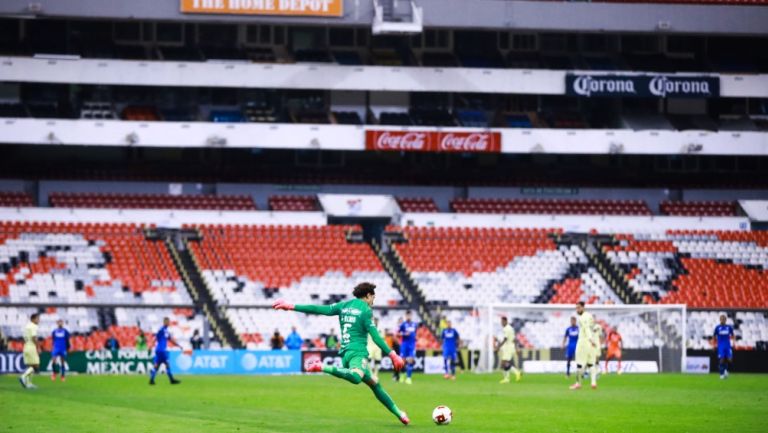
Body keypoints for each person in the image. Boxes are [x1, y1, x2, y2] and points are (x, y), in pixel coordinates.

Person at [272, 282, 409, 425]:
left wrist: (291, 306)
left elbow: (318, 309)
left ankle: (399, 413)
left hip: (345, 354)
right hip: (358, 353)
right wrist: (392, 354)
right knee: (356, 377)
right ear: (368, 296)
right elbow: (375, 336)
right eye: (373, 297)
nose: (373, 301)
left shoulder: (344, 305)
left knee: (375, 383)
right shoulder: (366, 310)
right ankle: (322, 367)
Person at [570, 302, 598, 390]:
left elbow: (586, 329)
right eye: (576, 308)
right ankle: (593, 383)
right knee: (591, 363)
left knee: (579, 364)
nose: (577, 310)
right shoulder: (590, 316)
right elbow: (593, 328)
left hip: (583, 342)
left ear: (583, 307)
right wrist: (593, 340)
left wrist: (590, 339)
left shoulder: (582, 318)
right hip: (591, 343)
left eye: (578, 308)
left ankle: (578, 383)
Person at [149, 317, 181, 385]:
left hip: (159, 350)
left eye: (169, 322)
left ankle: (152, 379)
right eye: (167, 322)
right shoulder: (161, 330)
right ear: (164, 322)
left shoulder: (166, 331)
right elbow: (155, 337)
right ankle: (171, 380)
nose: (169, 323)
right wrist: (151, 345)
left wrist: (178, 345)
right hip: (162, 350)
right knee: (167, 364)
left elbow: (171, 340)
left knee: (157, 365)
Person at [496, 316, 521, 383]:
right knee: (504, 363)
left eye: (502, 322)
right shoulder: (510, 328)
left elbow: (505, 339)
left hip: (508, 347)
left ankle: (516, 373)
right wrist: (516, 347)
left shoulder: (507, 329)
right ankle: (507, 378)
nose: (501, 323)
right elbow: (514, 338)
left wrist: (498, 346)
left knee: (504, 363)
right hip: (510, 347)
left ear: (505, 321)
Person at [19, 313, 41, 389]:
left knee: (30, 366)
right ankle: (23, 376)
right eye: (37, 319)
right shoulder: (34, 326)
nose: (39, 320)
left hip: (26, 346)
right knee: (36, 365)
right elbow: (34, 337)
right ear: (33, 319)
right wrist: (38, 347)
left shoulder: (26, 326)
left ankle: (28, 383)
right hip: (31, 346)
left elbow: (24, 337)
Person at [398, 311, 418, 385]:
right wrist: (404, 333)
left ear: (411, 316)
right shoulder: (403, 324)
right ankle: (402, 375)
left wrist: (415, 337)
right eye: (407, 315)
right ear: (405, 316)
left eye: (410, 315)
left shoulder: (414, 324)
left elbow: (415, 333)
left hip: (411, 345)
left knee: (410, 360)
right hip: (404, 345)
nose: (408, 317)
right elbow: (398, 333)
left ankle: (408, 378)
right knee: (403, 361)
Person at [713, 314, 735, 379]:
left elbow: (733, 335)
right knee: (722, 359)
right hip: (721, 346)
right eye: (721, 319)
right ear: (720, 320)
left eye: (723, 319)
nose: (722, 320)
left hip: (728, 345)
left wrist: (733, 343)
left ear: (725, 320)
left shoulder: (729, 327)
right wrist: (714, 345)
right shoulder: (717, 327)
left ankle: (726, 370)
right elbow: (714, 337)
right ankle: (721, 374)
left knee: (730, 360)